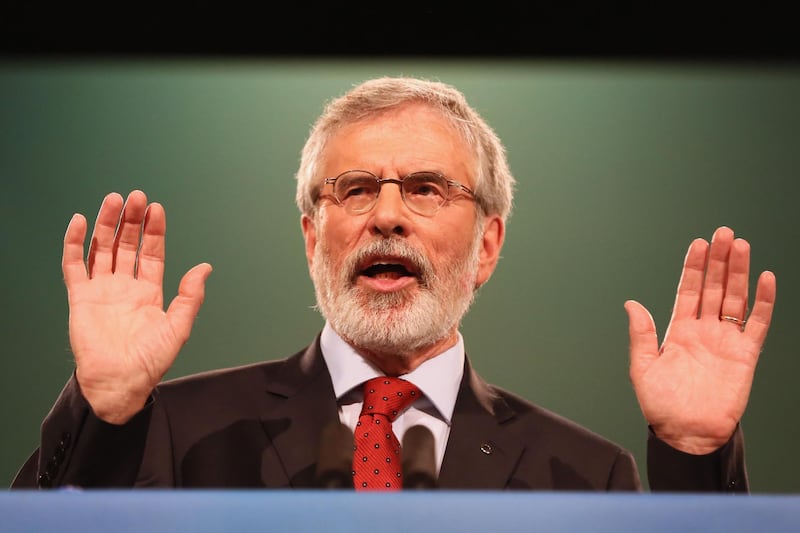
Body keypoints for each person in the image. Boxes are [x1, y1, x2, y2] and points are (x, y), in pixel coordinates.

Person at [11, 76, 776, 491]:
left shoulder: (583, 474)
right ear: (313, 237)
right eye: (353, 189)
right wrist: (104, 409)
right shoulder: (177, 433)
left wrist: (695, 456)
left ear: (487, 244)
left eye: (426, 188)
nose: (386, 216)